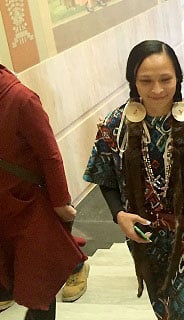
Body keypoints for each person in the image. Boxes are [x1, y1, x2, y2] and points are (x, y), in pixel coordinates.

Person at [83, 40, 184, 319]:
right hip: (148, 239)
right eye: (146, 81)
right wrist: (119, 215)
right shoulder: (115, 126)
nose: (157, 90)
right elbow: (105, 177)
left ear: (178, 77)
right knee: (165, 310)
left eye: (166, 79)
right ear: (133, 81)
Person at [0, 64, 86, 319]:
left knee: (39, 280)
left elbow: (49, 155)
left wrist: (61, 202)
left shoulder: (21, 99)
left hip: (27, 206)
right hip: (4, 209)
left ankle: (76, 264)